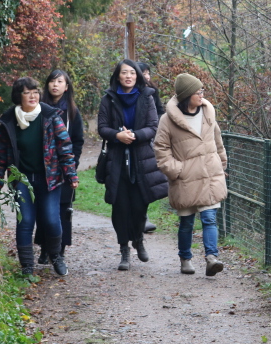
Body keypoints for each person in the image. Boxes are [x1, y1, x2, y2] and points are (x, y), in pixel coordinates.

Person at [0, 77, 79, 276]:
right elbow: (0, 156)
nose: (33, 96)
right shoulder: (8, 121)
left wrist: (71, 174)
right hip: (21, 179)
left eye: (35, 92)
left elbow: (65, 147)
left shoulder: (50, 116)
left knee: (50, 219)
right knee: (26, 221)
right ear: (18, 96)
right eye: (27, 92)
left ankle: (56, 256)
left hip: (50, 178)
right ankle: (27, 268)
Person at [153, 73, 228, 276]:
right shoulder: (167, 120)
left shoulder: (208, 112)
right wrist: (177, 170)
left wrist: (221, 165)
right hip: (185, 180)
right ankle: (185, 258)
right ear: (187, 96)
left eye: (202, 90)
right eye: (198, 92)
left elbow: (217, 140)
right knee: (186, 222)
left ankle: (212, 258)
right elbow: (161, 149)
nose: (202, 95)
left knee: (209, 218)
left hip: (209, 175)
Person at [97, 59, 169, 270]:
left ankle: (138, 239)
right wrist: (118, 136)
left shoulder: (147, 96)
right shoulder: (108, 99)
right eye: (124, 73)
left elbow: (153, 127)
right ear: (117, 76)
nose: (128, 76)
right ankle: (124, 250)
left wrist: (135, 136)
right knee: (120, 206)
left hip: (141, 159)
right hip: (116, 159)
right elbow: (102, 127)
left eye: (132, 73)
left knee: (139, 205)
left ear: (137, 76)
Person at [35, 70, 85, 264]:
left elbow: (78, 141)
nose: (55, 85)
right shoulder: (38, 108)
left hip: (64, 169)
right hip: (43, 169)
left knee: (63, 209)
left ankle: (59, 249)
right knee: (43, 209)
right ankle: (44, 247)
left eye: (60, 81)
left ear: (66, 86)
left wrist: (73, 164)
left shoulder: (72, 112)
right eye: (52, 81)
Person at [137, 61, 164, 233]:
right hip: (131, 140)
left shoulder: (153, 92)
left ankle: (143, 217)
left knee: (148, 178)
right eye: (144, 73)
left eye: (148, 72)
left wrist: (155, 127)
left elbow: (160, 112)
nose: (147, 76)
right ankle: (133, 217)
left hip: (150, 140)